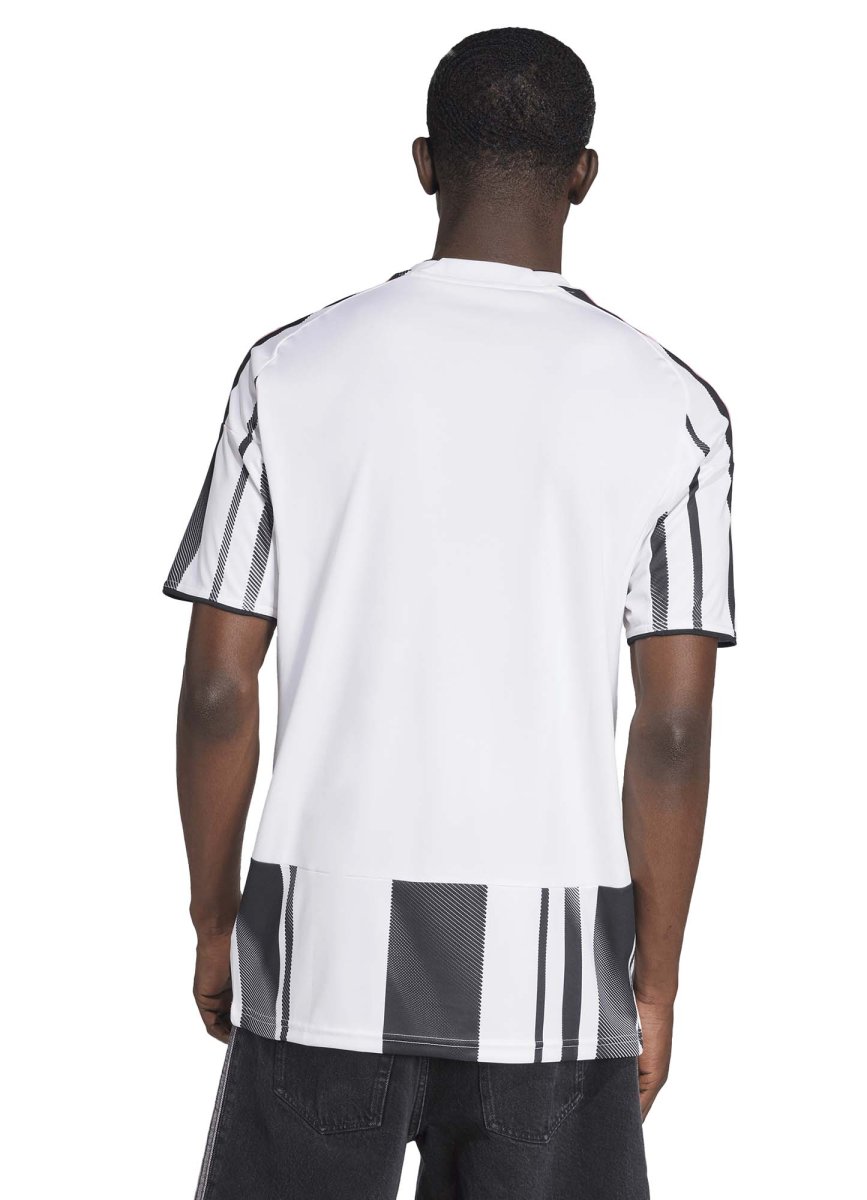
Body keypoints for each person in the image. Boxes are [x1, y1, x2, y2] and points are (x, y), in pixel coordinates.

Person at [165, 26, 735, 1200]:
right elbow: (673, 730)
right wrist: (656, 983)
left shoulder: (287, 373)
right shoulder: (676, 409)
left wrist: (215, 918)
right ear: (584, 175)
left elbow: (220, 689)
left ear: (425, 164)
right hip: (555, 985)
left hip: (318, 959)